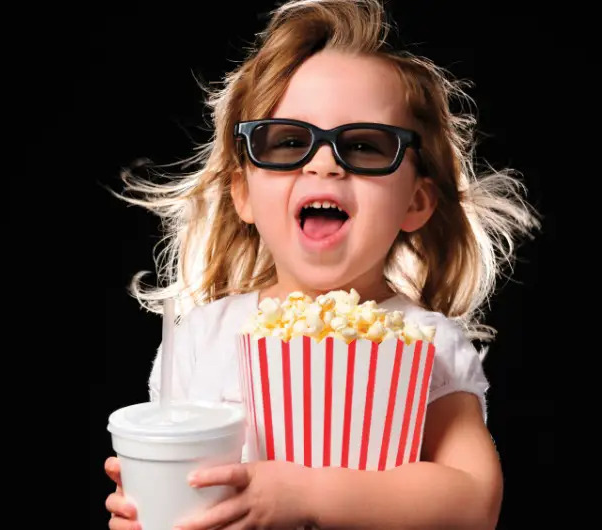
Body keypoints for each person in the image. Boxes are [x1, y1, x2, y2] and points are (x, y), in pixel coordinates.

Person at [104, 1, 539, 528]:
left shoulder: (427, 342)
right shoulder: (199, 338)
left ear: (416, 203)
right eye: (287, 141)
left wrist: (305, 493)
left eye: (364, 146)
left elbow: (473, 500)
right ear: (242, 192)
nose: (324, 162)